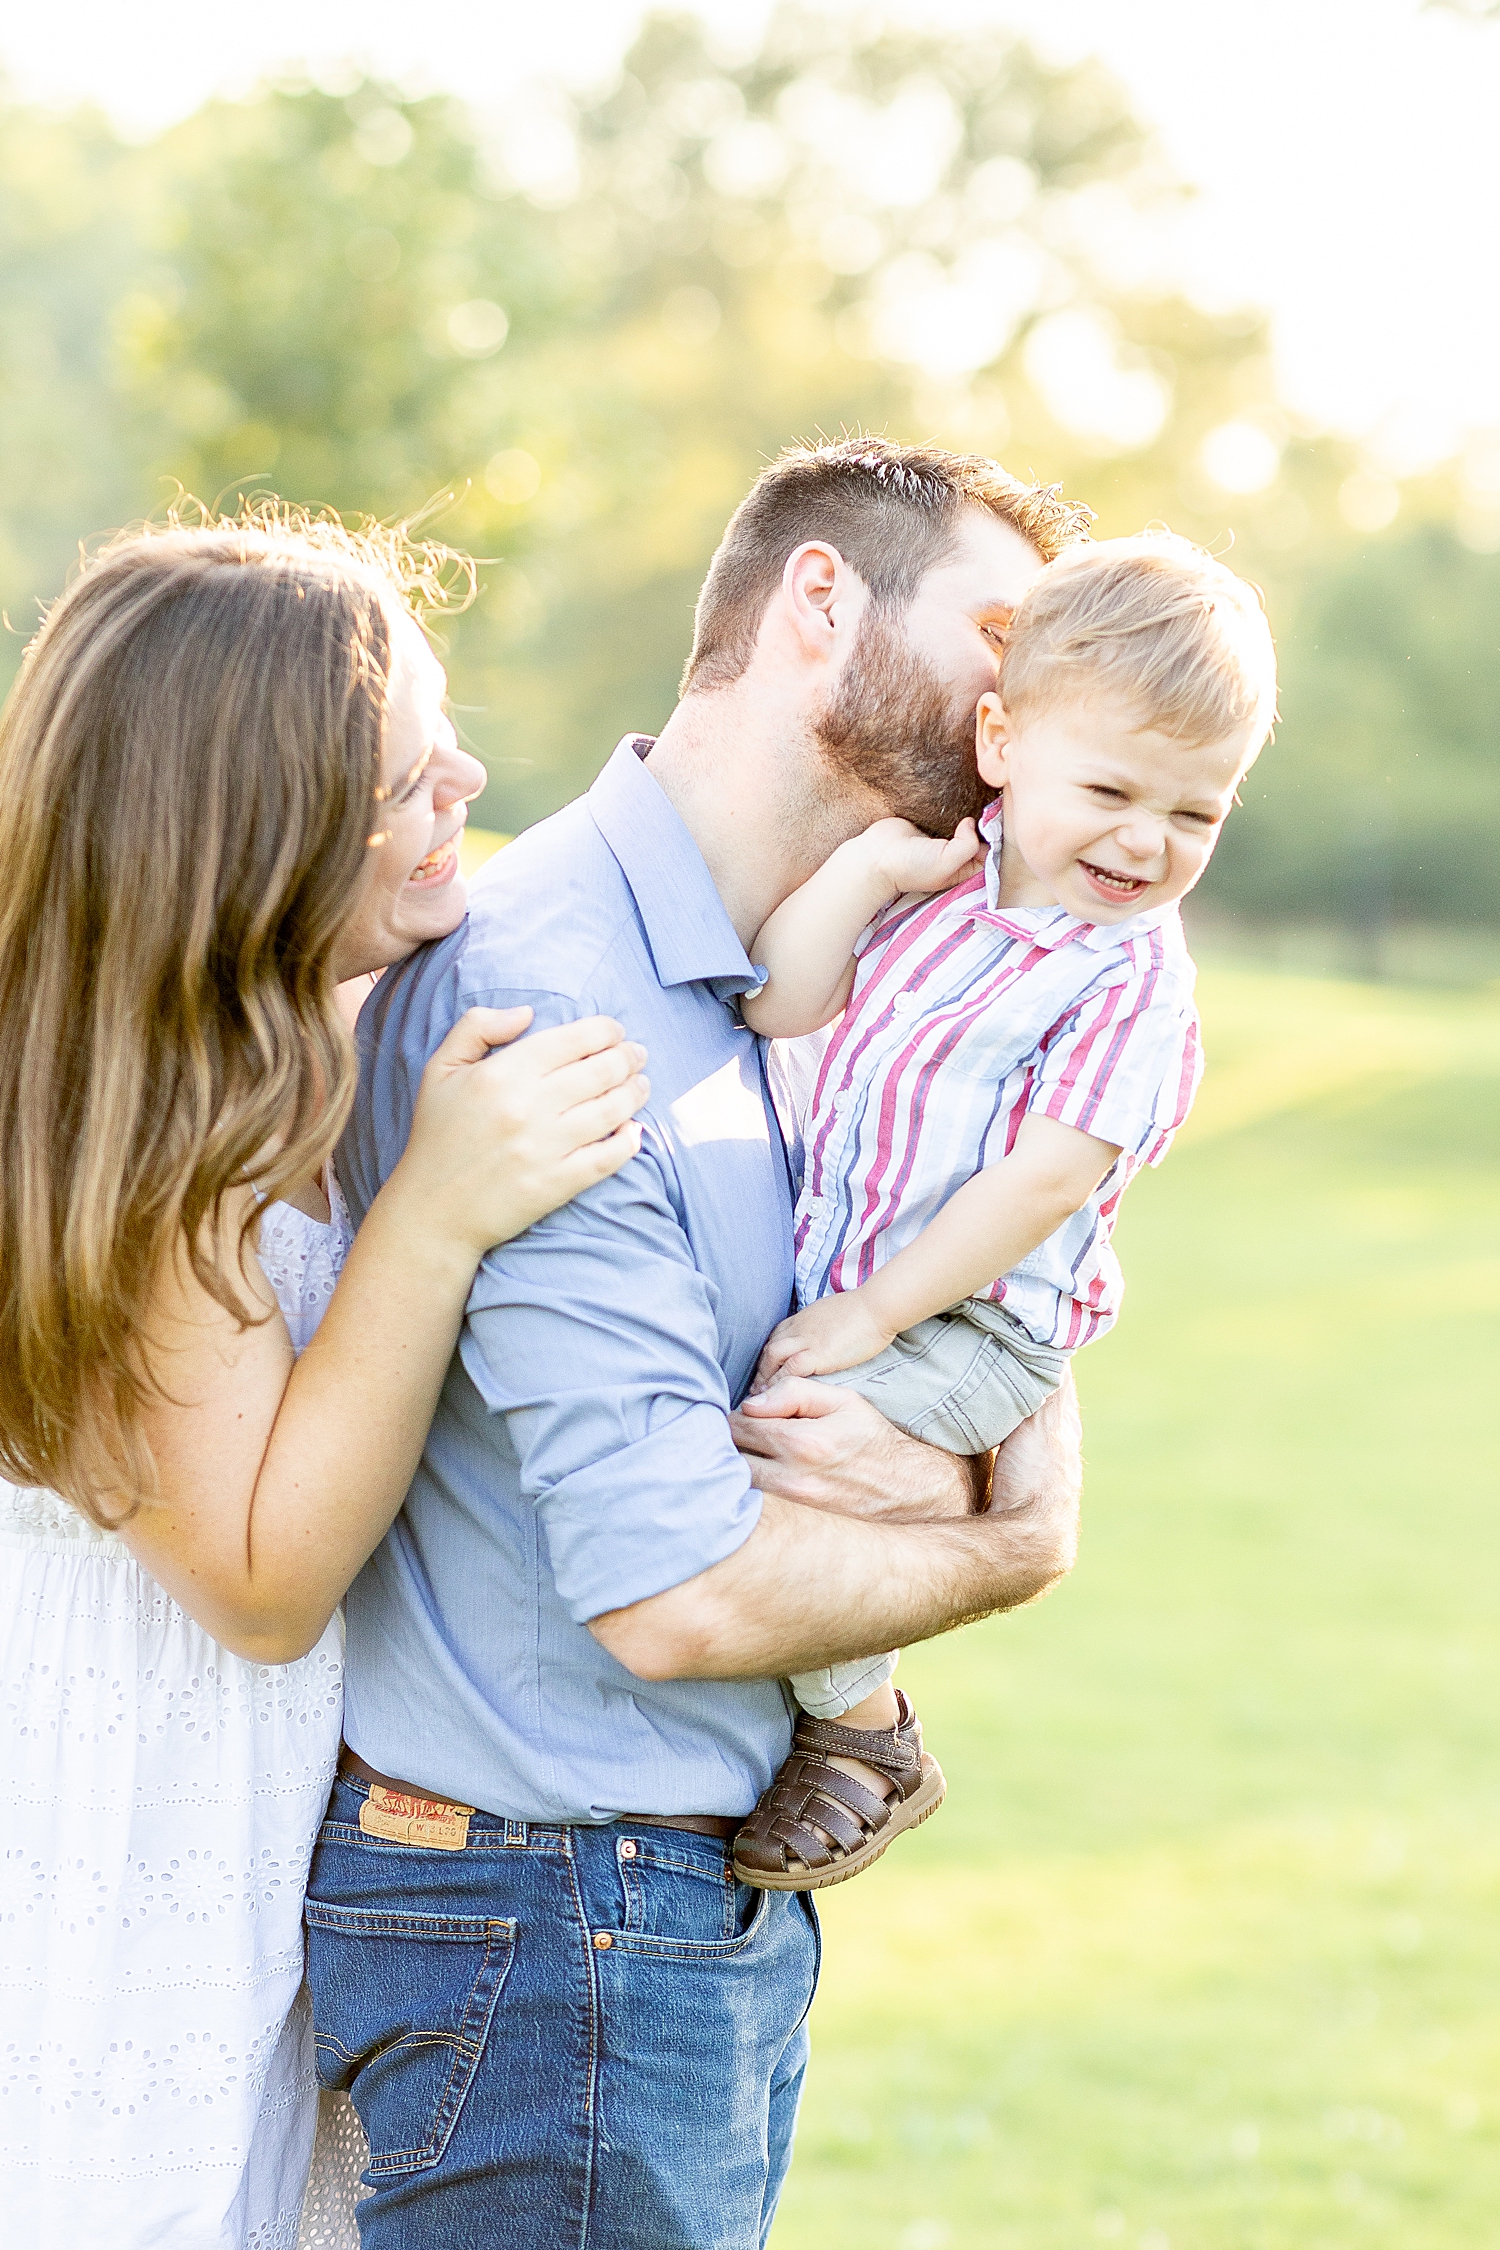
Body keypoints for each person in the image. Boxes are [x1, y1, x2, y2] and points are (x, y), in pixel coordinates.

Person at [307, 437, 1090, 2250]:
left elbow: (1006, 1311)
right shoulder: (557, 1000)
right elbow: (672, 1590)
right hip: (557, 1917)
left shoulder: (846, 989)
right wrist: (1009, 1541)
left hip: (661, 1919)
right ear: (820, 602)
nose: (1024, 712)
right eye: (1000, 637)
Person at [0, 508, 648, 2250]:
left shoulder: (353, 1035)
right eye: (405, 762)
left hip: (293, 1857)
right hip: (132, 1875)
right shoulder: (131, 1150)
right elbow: (266, 1584)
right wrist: (431, 1214)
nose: (468, 771)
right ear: (248, 823)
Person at [733, 532, 1279, 1889]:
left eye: (1197, 814)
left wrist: (871, 1314)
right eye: (1111, 788)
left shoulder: (1130, 986)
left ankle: (865, 1729)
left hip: (975, 1321)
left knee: (797, 1455)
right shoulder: (937, 891)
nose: (1146, 840)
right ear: (1001, 739)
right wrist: (859, 877)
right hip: (849, 1278)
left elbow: (1039, 1184)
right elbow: (779, 1002)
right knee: (779, 1435)